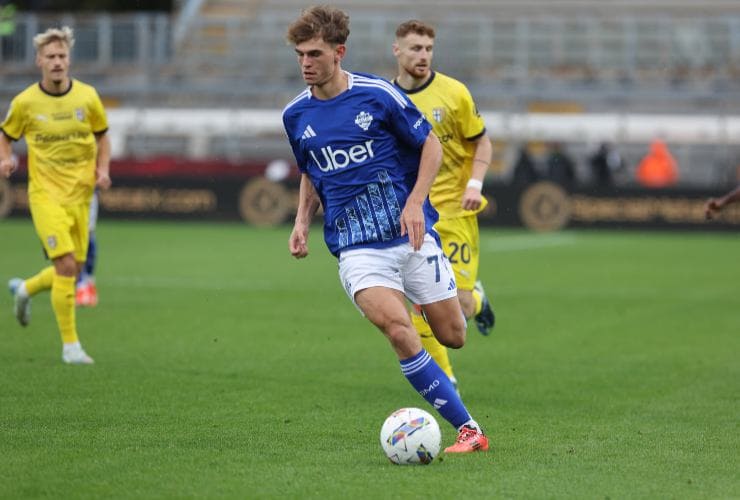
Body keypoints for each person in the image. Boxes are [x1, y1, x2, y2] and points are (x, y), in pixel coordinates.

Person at [283, 5, 488, 453]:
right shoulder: (295, 116)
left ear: (339, 52)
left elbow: (430, 145)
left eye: (314, 53)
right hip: (357, 249)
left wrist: (416, 203)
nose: (305, 63)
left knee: (454, 334)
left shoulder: (378, 95)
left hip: (411, 237)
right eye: (300, 54)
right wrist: (301, 222)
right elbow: (310, 171)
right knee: (398, 331)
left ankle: (463, 298)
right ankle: (469, 430)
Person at [391, 20, 495, 389]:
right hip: (414, 216)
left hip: (454, 212)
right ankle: (446, 381)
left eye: (428, 49)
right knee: (421, 305)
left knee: (459, 310)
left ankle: (477, 301)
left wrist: (475, 182)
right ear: (397, 51)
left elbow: (482, 142)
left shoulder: (454, 93)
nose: (423, 55)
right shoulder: (388, 100)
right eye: (415, 48)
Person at [0, 26, 111, 364]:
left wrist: (103, 169)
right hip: (45, 195)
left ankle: (25, 289)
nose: (58, 62)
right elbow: (6, 135)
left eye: (62, 56)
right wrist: (5, 157)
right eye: (51, 56)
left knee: (72, 270)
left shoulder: (88, 97)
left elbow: (103, 136)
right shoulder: (25, 103)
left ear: (69, 59)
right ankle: (70, 346)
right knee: (64, 264)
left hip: (81, 194)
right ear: (40, 61)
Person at [75, 190, 99, 307]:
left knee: (87, 235)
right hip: (64, 194)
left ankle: (88, 281)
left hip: (85, 192)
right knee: (72, 239)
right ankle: (81, 285)